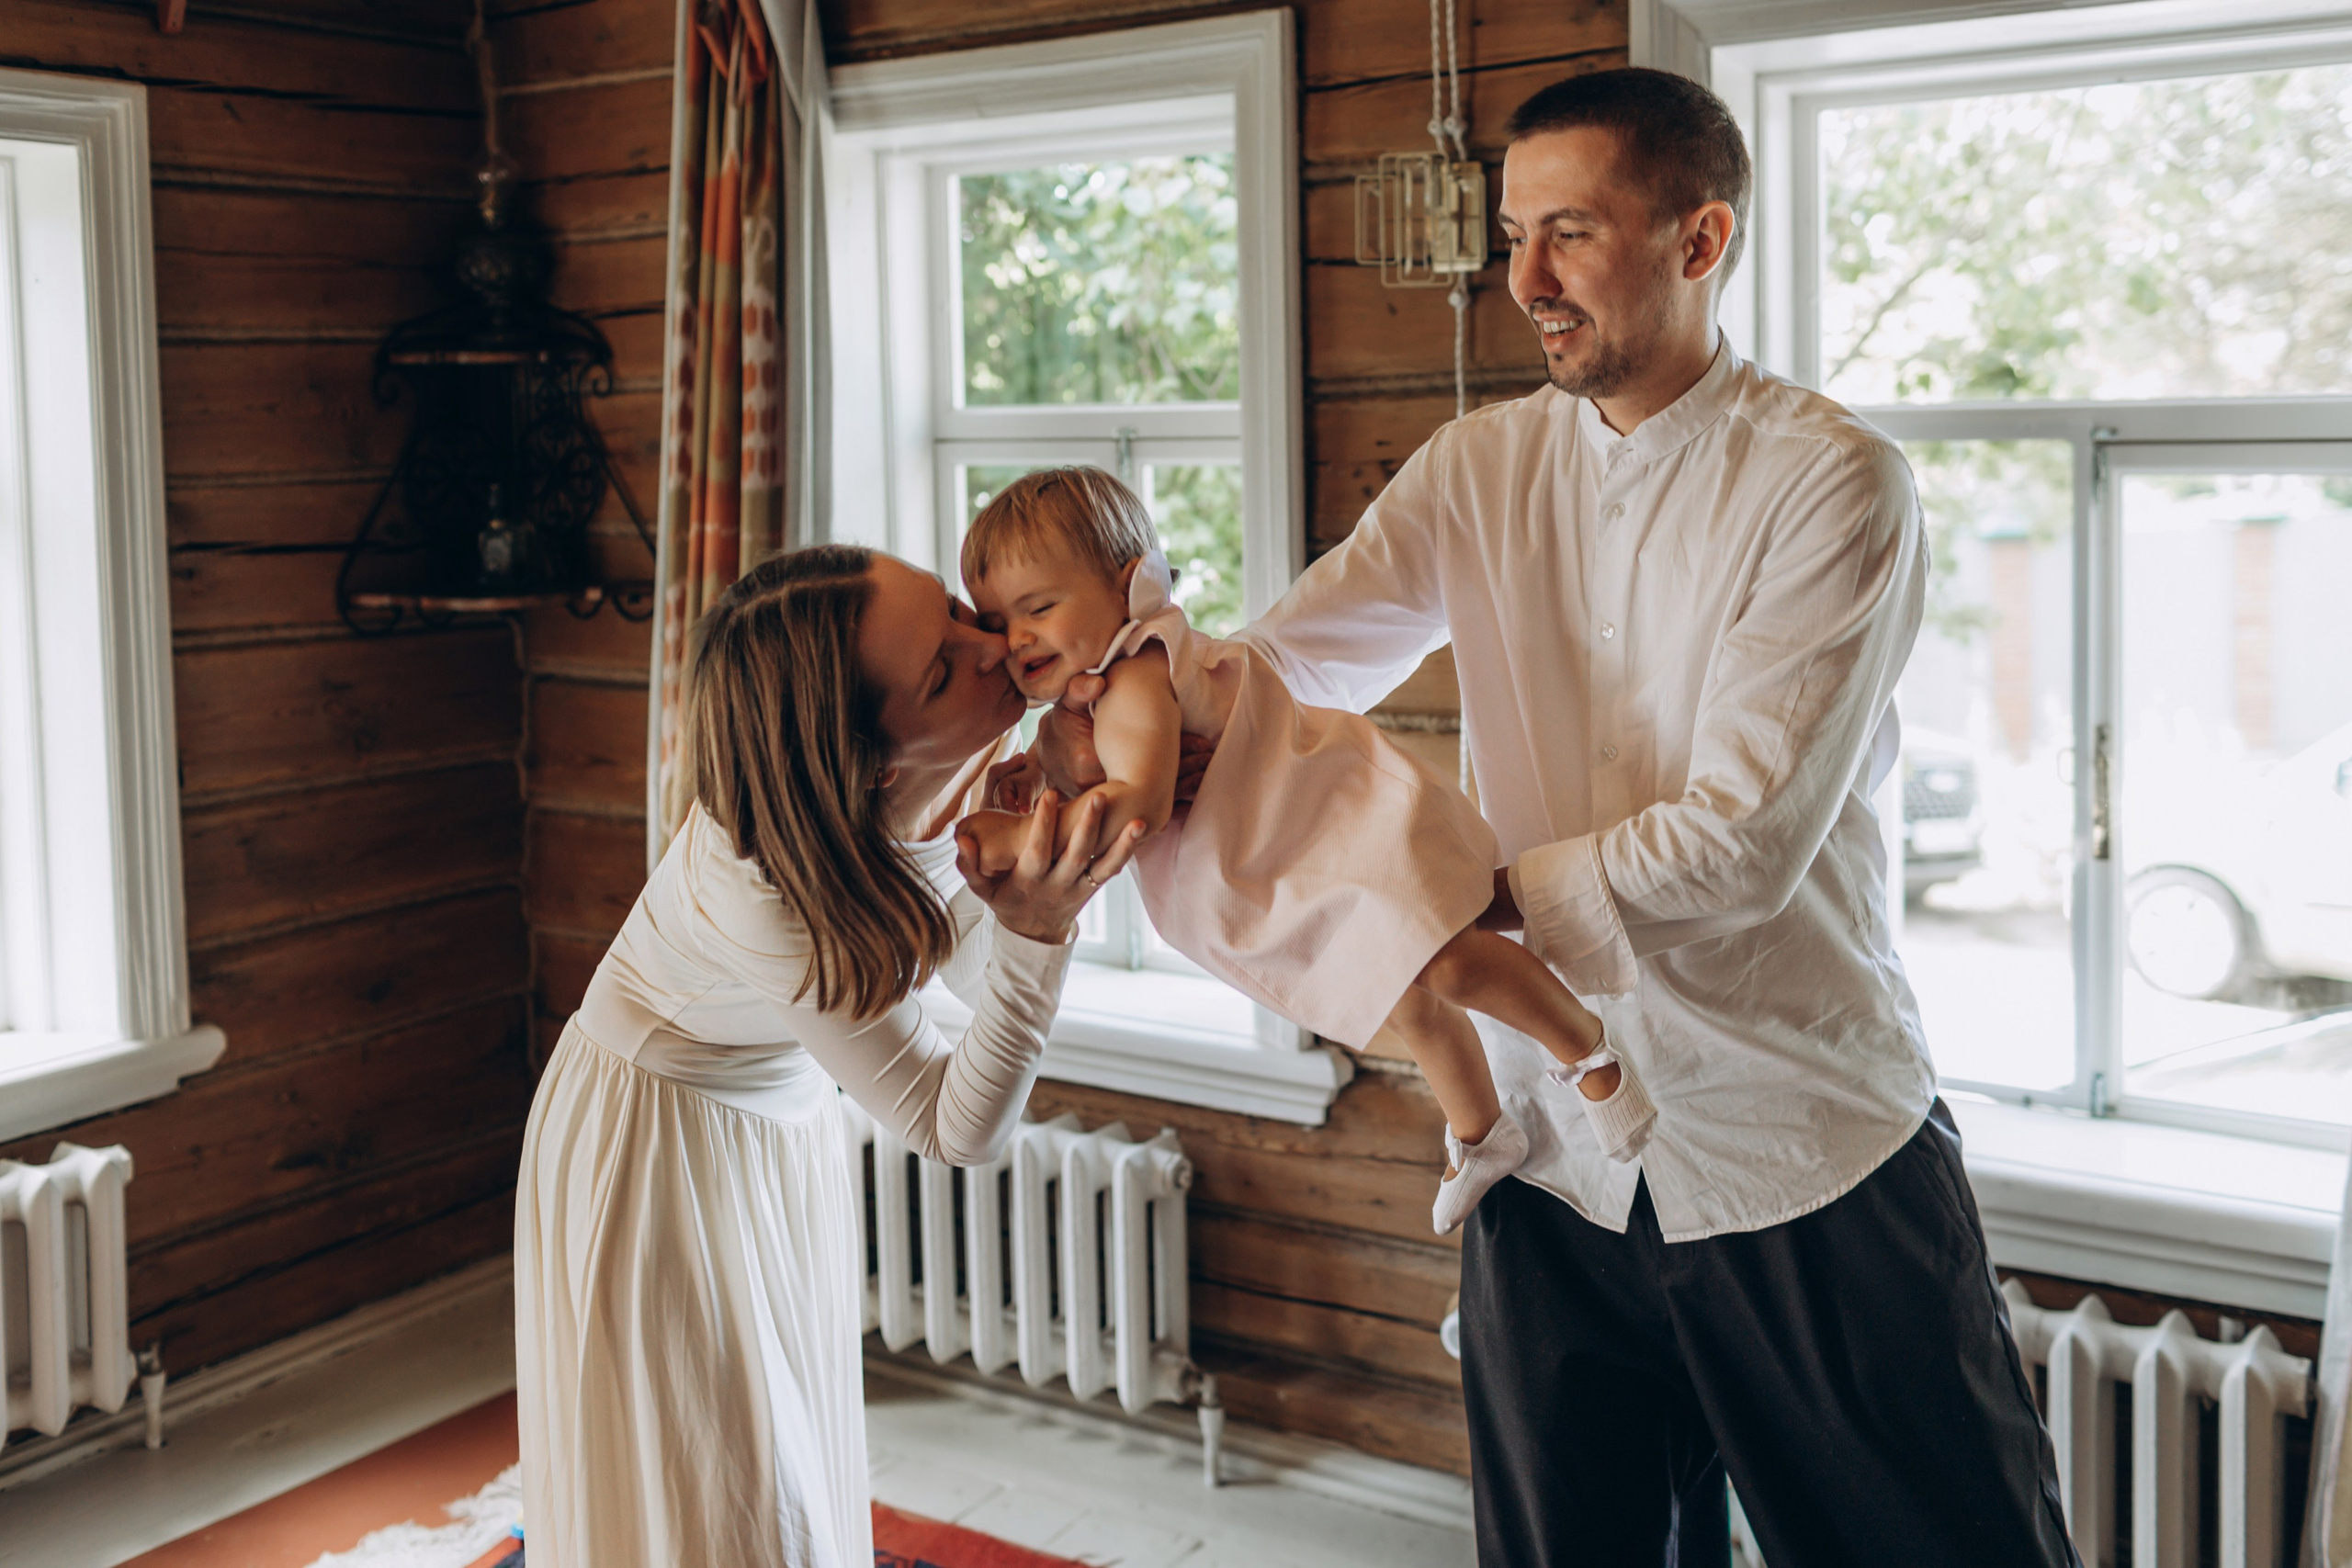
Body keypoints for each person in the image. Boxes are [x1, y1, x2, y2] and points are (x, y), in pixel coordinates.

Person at [1035, 68, 2079, 1568]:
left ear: (1700, 236)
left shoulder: (1835, 484)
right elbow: (1282, 664)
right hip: (1551, 1159)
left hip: (1802, 1143)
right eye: (1515, 235)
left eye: (1569, 234)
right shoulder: (1478, 468)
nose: (1522, 280)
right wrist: (1113, 685)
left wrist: (1436, 906)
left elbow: (1739, 841)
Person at [513, 545, 1144, 1567]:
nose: (998, 648)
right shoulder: (772, 894)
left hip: (770, 1124)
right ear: (872, 759)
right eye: (946, 666)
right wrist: (1038, 926)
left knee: (789, 1440)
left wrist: (1046, 852)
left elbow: (973, 975)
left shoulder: (948, 767)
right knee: (722, 1487)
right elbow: (953, 1126)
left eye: (955, 612)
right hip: (653, 1157)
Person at [956, 466, 1651, 1235]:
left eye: (1040, 608)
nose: (1017, 639)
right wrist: (1041, 767)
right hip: (1298, 859)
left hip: (1337, 835)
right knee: (1408, 1003)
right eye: (997, 621)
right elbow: (1102, 763)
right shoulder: (1089, 699)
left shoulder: (1136, 678)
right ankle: (1482, 1133)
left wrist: (1021, 836)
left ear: (1131, 584)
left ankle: (1590, 1054)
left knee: (1449, 961)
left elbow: (1142, 807)